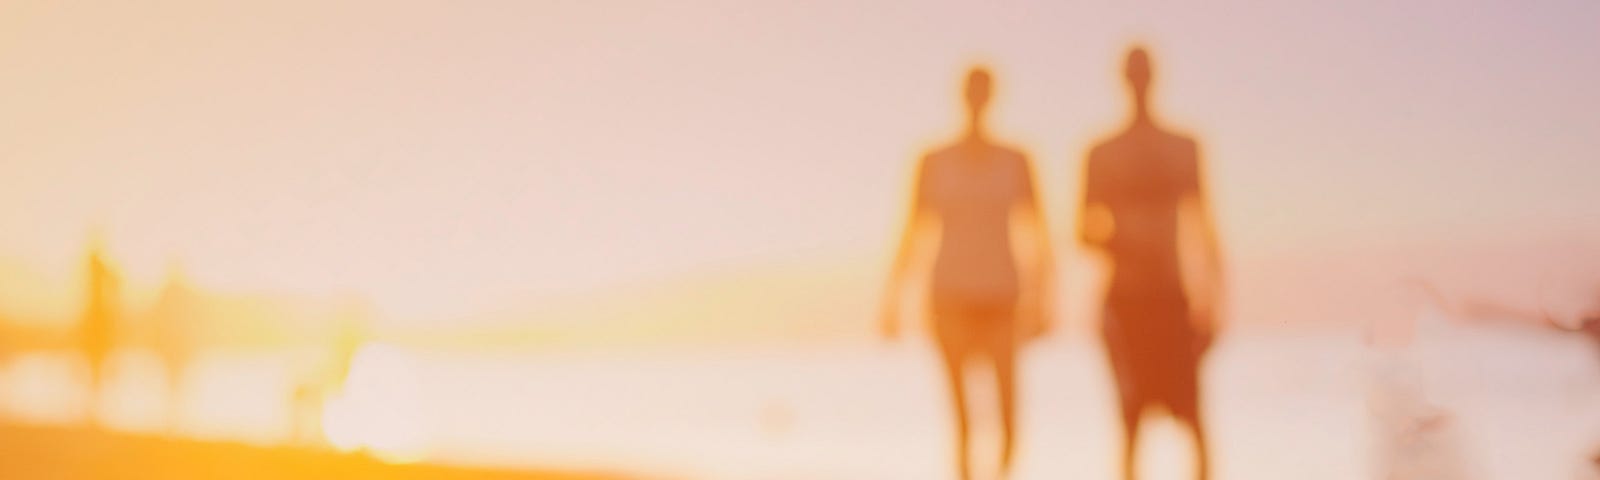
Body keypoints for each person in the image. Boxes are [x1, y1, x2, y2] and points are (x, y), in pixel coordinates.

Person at [881, 67, 1055, 480]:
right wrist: (892, 297)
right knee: (961, 419)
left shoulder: (1016, 160)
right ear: (962, 96)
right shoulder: (934, 161)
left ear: (992, 96)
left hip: (1002, 295)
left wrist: (1044, 297)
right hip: (949, 295)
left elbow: (1038, 235)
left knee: (1008, 413)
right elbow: (913, 230)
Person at [1078, 46, 1224, 480]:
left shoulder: (1183, 148)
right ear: (1124, 79)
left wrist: (1213, 300)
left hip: (1172, 296)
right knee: (1130, 419)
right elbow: (1082, 230)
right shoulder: (1101, 153)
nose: (1139, 80)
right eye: (1133, 73)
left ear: (1153, 78)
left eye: (1144, 72)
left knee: (1194, 417)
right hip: (1124, 299)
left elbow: (1205, 228)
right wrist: (1128, 243)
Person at [79, 236, 120, 426]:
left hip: (97, 320)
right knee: (96, 364)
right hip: (98, 321)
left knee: (95, 364)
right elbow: (117, 282)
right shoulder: (97, 268)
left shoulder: (94, 267)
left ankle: (94, 407)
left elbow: (116, 282)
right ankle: (94, 407)